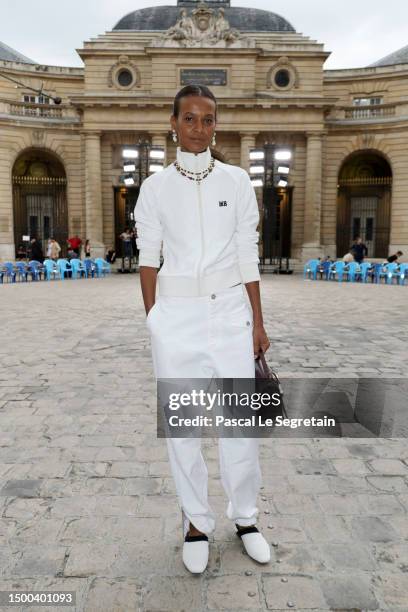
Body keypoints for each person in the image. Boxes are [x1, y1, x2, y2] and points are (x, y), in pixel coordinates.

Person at [134, 84, 271, 574]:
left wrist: (256, 321)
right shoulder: (154, 188)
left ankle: (246, 518)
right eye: (189, 118)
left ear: (217, 125)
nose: (198, 128)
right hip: (176, 318)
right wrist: (155, 320)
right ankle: (196, 522)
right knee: (183, 428)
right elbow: (148, 257)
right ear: (173, 123)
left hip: (230, 313)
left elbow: (247, 255)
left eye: (207, 119)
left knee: (240, 423)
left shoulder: (236, 182)